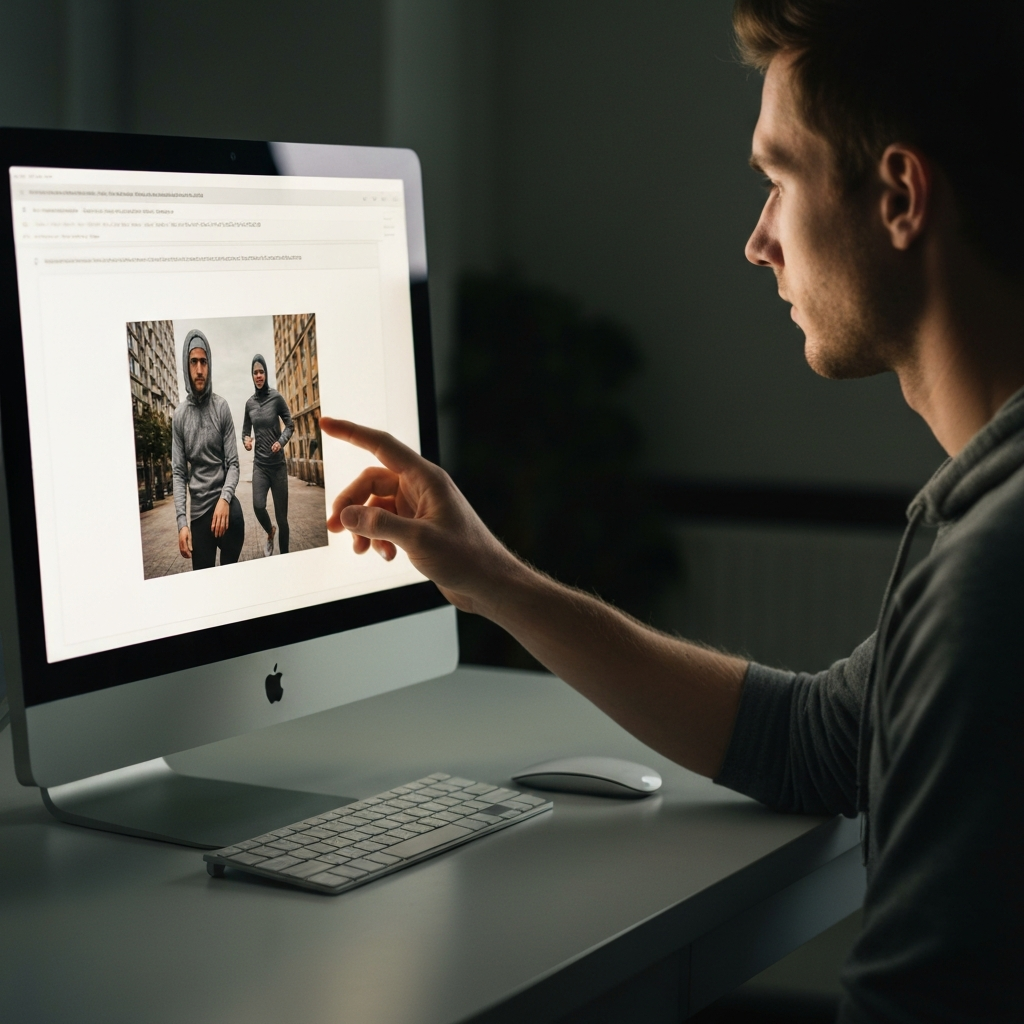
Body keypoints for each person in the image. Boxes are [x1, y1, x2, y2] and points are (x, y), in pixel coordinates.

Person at [322, 2, 1022, 1019]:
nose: (757, 242)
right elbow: (813, 739)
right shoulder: (986, 520)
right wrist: (494, 577)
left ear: (900, 196)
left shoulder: (992, 576)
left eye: (777, 179)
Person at [172, 329, 244, 570]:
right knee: (203, 575)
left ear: (209, 364)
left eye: (204, 362)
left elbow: (233, 463)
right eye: (194, 362)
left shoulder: (221, 407)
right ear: (186, 365)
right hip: (200, 512)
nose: (199, 369)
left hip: (223, 505)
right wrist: (182, 522)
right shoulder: (180, 416)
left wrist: (225, 498)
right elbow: (179, 473)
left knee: (235, 516)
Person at [242, 354, 294, 556]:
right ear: (252, 376)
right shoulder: (249, 404)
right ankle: (269, 531)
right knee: (257, 506)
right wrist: (246, 441)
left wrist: (281, 442)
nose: (258, 375)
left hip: (278, 467)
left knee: (283, 519)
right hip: (260, 466)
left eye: (261, 371)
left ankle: (286, 558)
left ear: (266, 373)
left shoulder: (276, 398)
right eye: (255, 372)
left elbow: (290, 425)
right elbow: (245, 432)